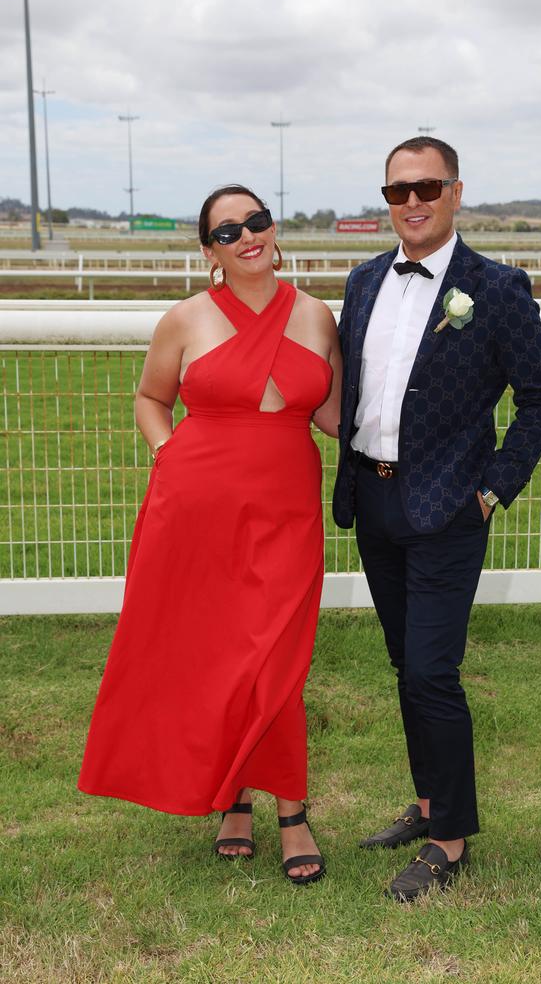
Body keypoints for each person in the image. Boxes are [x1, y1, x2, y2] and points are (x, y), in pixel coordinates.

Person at [78, 184, 341, 886]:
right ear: (209, 251)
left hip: (288, 507)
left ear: (275, 228)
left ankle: (292, 813)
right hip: (196, 510)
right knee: (217, 654)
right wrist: (169, 456)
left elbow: (335, 416)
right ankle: (232, 801)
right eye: (229, 231)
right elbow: (150, 398)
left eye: (257, 221)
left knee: (278, 656)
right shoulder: (185, 319)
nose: (248, 236)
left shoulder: (318, 317)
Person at [333, 137, 541, 901]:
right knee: (408, 666)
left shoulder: (493, 288)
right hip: (373, 499)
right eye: (397, 190)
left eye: (427, 186)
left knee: (433, 672)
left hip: (451, 507)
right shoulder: (364, 280)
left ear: (456, 192)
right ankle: (430, 801)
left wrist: (494, 489)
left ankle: (449, 842)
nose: (412, 202)